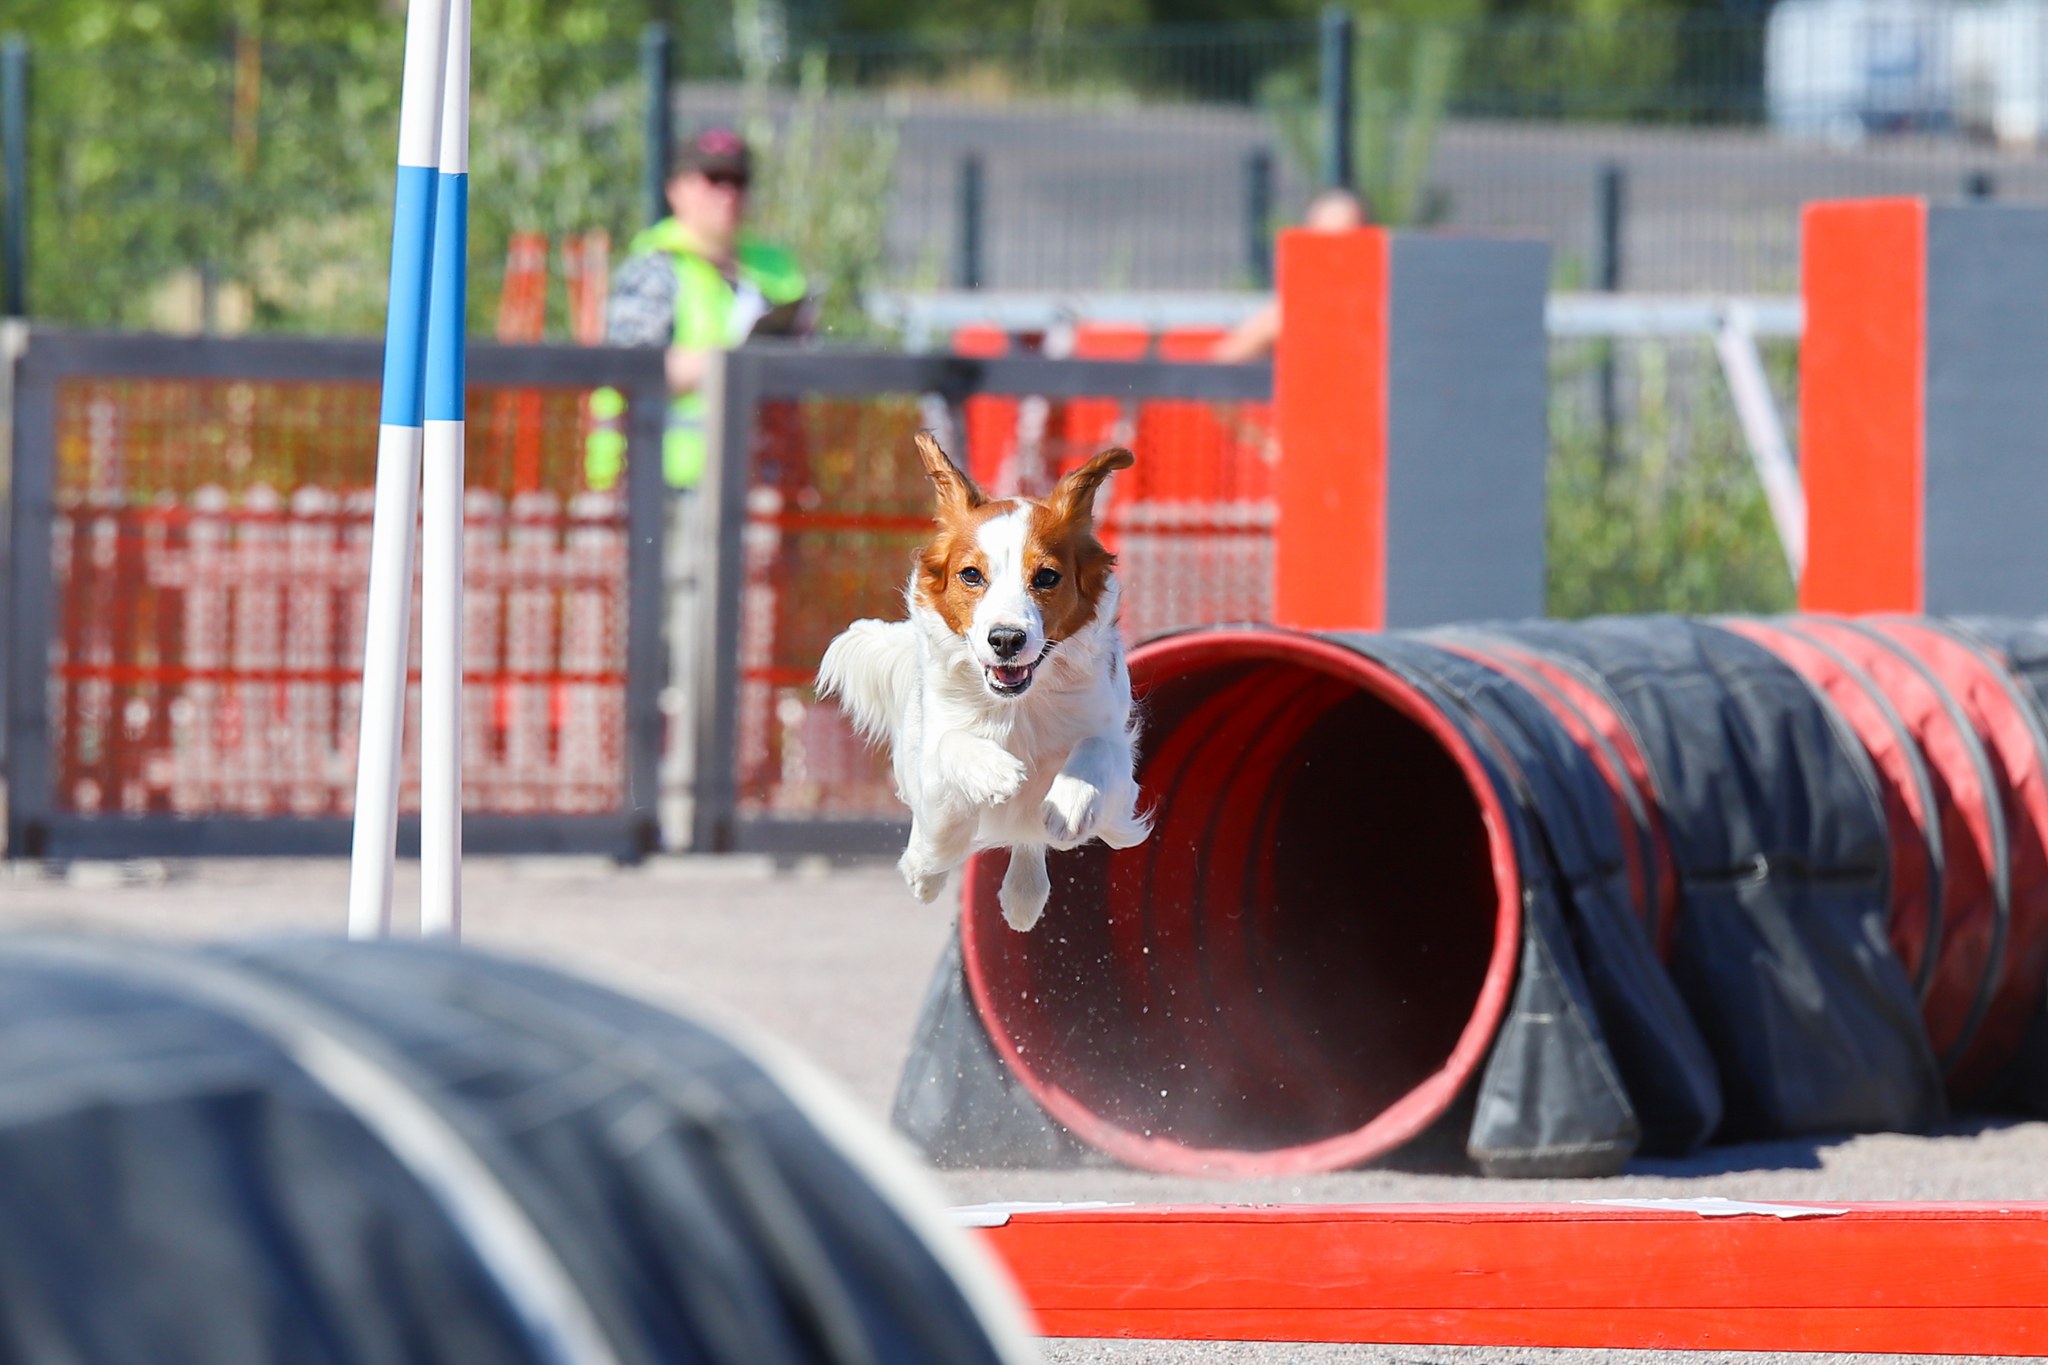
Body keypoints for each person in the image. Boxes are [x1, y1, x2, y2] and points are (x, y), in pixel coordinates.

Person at [585, 127, 809, 493]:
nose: (727, 193)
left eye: (738, 181)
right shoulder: (653, 269)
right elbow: (629, 372)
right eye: (713, 178)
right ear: (676, 190)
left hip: (761, 484)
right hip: (663, 485)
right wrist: (737, 363)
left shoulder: (779, 273)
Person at [1210, 186, 1369, 364]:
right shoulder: (1289, 313)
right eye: (1323, 243)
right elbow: (1223, 360)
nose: (1334, 255)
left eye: (1345, 243)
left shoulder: (1381, 309)